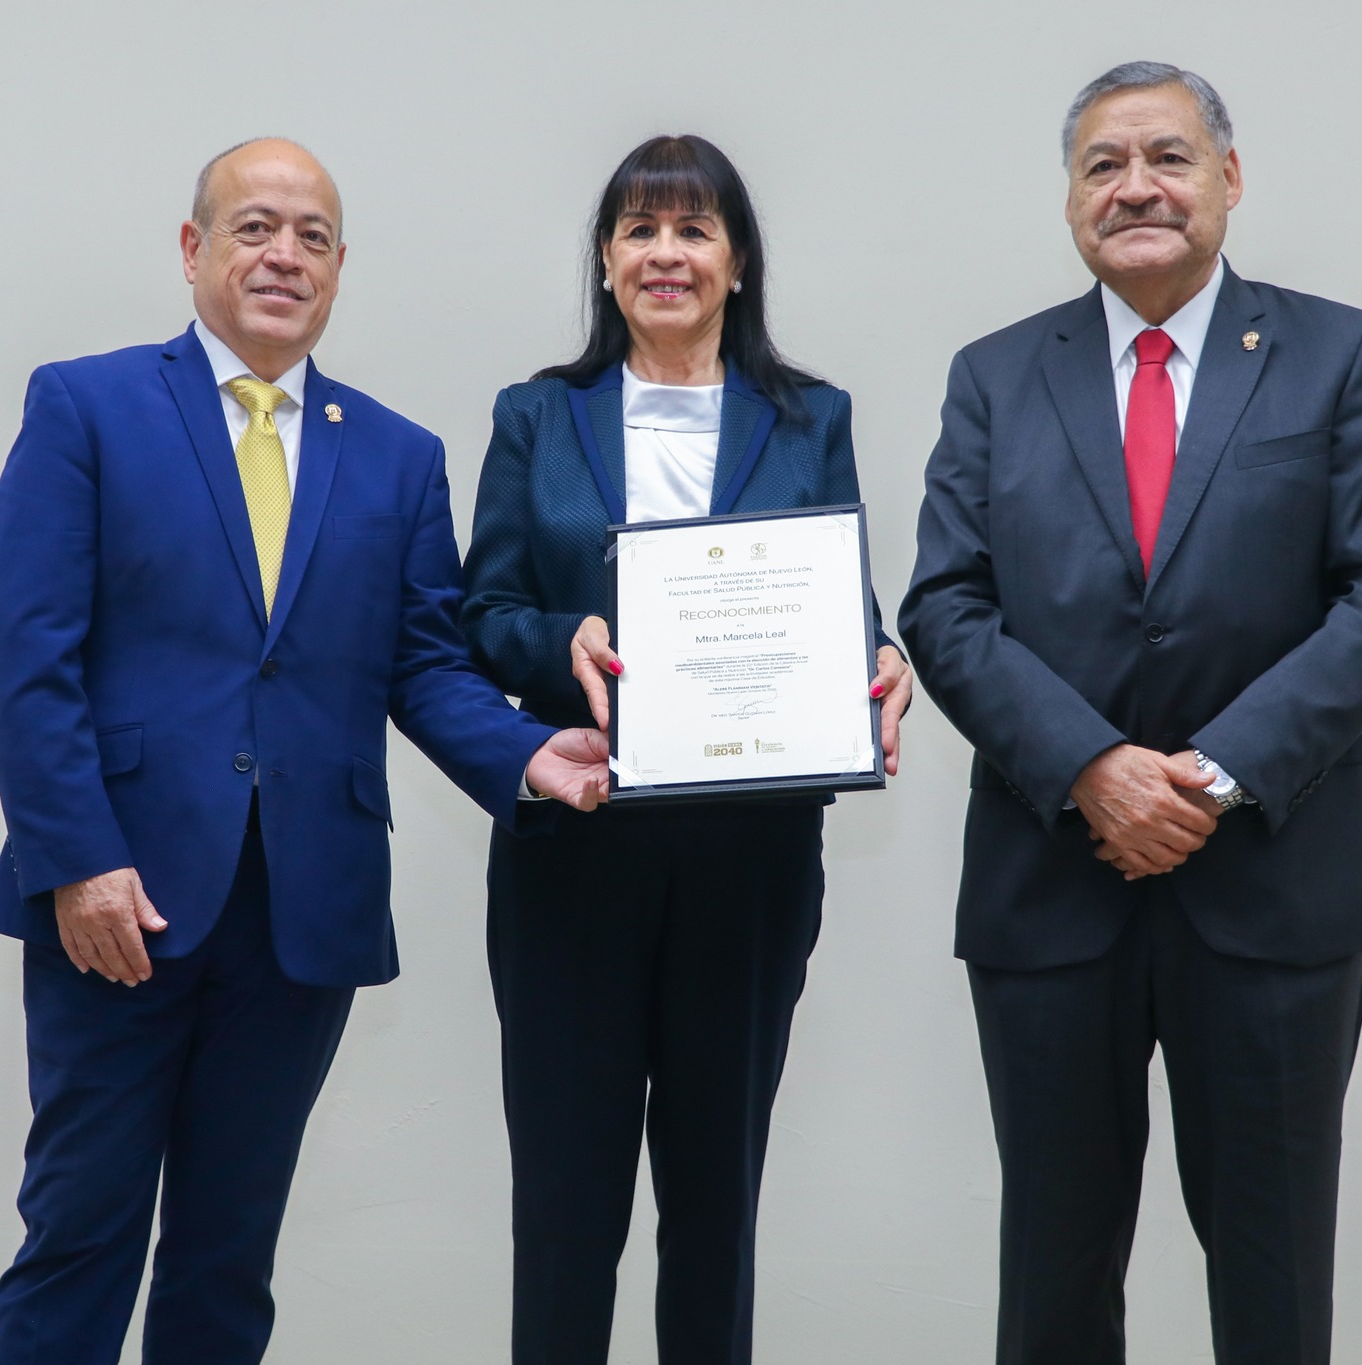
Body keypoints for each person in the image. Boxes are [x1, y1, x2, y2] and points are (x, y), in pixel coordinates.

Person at [0, 137, 608, 1365]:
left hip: (301, 913)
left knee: (228, 1256)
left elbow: (422, 663)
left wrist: (526, 755)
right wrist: (78, 862)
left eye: (311, 237)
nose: (283, 256)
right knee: (79, 1237)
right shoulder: (87, 407)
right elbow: (25, 653)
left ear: (338, 268)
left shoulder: (396, 455)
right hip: (122, 901)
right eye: (254, 227)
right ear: (192, 248)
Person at [899, 64, 1362, 1364]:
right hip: (1050, 886)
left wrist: (1212, 773)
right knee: (1053, 1282)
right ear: (1069, 198)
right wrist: (1091, 766)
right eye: (1103, 164)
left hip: (1275, 885)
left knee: (1273, 1280)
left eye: (1168, 157)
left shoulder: (1335, 353)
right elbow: (946, 606)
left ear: (1228, 179)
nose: (1134, 186)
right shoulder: (995, 375)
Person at [460, 134, 914, 1364]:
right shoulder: (536, 416)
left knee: (715, 1208)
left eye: (694, 229)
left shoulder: (809, 418)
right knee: (565, 1212)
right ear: (605, 261)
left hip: (749, 859)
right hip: (575, 848)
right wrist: (564, 638)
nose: (666, 253)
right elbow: (482, 614)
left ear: (738, 261)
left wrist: (879, 661)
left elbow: (842, 607)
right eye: (640, 230)